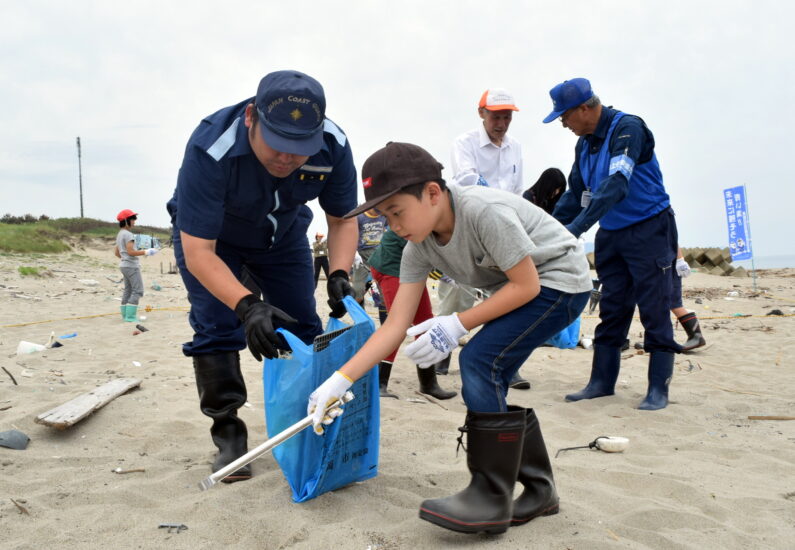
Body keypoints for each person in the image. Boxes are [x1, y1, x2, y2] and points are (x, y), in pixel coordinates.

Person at [306, 142, 592, 534]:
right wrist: (339, 381)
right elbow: (394, 325)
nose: (393, 226)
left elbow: (526, 286)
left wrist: (457, 324)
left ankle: (491, 494)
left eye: (396, 211)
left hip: (560, 281)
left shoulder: (482, 212)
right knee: (488, 369)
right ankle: (540, 489)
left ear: (433, 193)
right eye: (384, 217)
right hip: (525, 286)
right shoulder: (418, 247)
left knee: (479, 361)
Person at [166, 70, 358, 483]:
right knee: (217, 326)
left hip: (283, 234)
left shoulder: (335, 144)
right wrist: (247, 305)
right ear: (252, 117)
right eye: (278, 146)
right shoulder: (210, 147)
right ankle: (229, 436)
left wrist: (341, 270)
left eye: (299, 149)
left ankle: (307, 421)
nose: (287, 159)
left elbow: (341, 219)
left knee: (302, 326)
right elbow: (200, 252)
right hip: (214, 239)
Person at [543, 77, 680, 410]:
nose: (563, 123)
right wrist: (552, 230)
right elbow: (577, 194)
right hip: (612, 233)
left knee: (654, 307)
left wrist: (576, 229)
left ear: (586, 108)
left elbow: (617, 183)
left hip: (649, 228)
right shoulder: (584, 143)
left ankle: (657, 390)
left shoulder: (627, 129)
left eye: (565, 116)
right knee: (612, 307)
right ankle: (601, 382)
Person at [443, 88, 530, 390]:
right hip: (471, 226)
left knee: (509, 296)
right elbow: (467, 179)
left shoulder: (515, 147)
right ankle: (443, 354)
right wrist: (496, 203)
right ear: (481, 113)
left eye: (507, 116)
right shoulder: (465, 144)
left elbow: (517, 189)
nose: (502, 122)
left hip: (507, 228)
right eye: (496, 116)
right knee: (459, 291)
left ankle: (507, 362)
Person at [368, 228, 456, 400]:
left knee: (425, 322)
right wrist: (448, 275)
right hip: (391, 266)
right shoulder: (420, 218)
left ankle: (428, 384)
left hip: (412, 267)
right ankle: (379, 383)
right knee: (398, 324)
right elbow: (429, 252)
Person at [113, 209, 158, 322]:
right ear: (126, 221)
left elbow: (117, 253)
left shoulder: (120, 234)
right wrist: (147, 252)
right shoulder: (128, 235)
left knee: (128, 290)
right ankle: (130, 317)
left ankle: (125, 316)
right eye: (133, 219)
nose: (134, 221)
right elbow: (130, 252)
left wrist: (125, 260)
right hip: (131, 266)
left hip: (124, 265)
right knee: (138, 291)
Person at [351, 209, 388, 305]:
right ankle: (360, 317)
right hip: (362, 255)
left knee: (384, 291)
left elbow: (388, 227)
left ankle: (386, 317)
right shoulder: (359, 217)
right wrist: (354, 253)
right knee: (357, 290)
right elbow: (352, 233)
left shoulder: (384, 215)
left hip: (379, 254)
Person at [671, 249, 706, 350]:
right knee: (657, 304)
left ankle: (696, 336)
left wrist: (680, 260)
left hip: (668, 265)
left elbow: (672, 237)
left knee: (674, 304)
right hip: (659, 263)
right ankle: (657, 339)